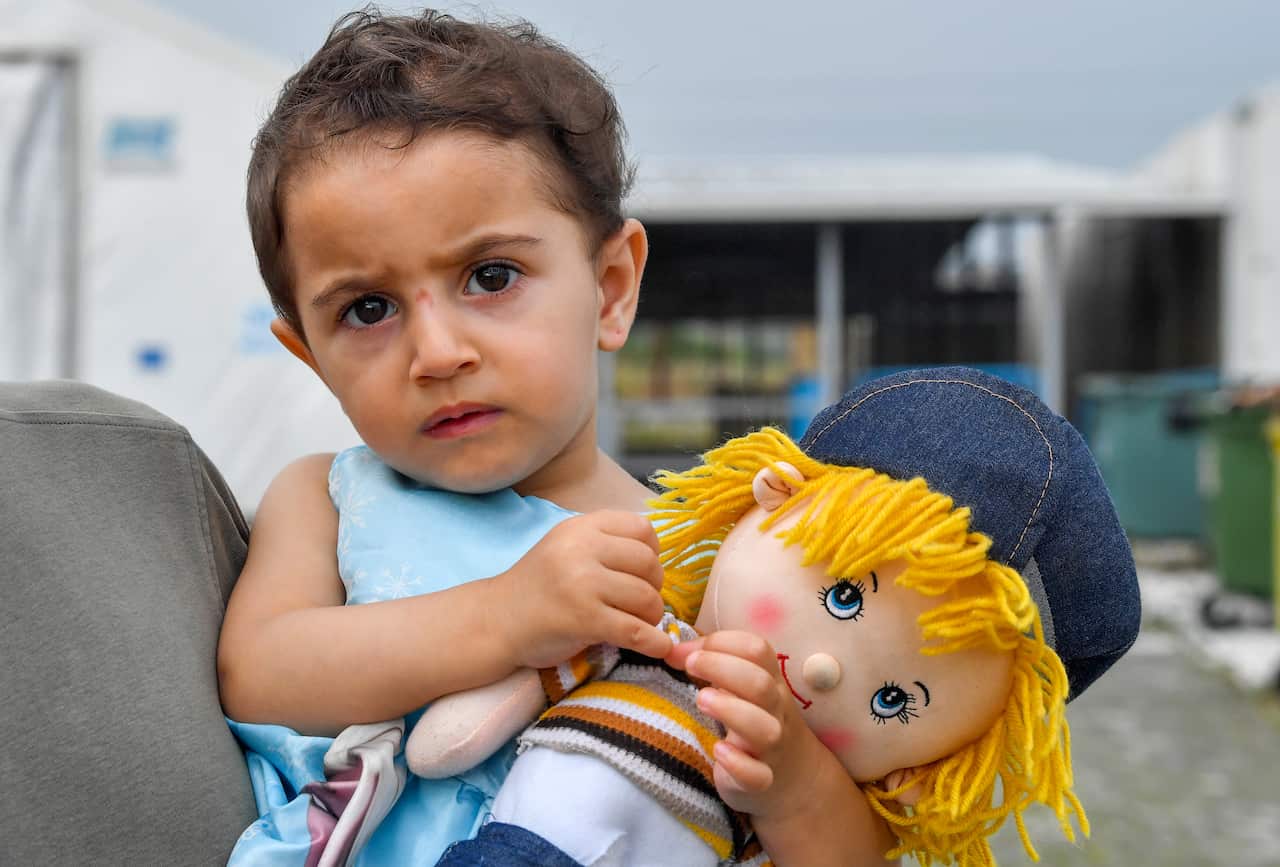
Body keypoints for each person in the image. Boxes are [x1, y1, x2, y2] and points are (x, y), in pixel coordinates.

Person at [215, 7, 894, 865]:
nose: (438, 352)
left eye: (490, 276)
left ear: (610, 288)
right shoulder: (329, 496)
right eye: (368, 309)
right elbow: (261, 671)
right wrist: (506, 615)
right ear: (311, 355)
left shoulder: (710, 557)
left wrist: (792, 774)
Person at [414, 367, 1141, 867]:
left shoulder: (820, 794)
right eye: (845, 595)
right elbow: (485, 708)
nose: (824, 668)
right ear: (772, 496)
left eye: (892, 701)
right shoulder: (644, 622)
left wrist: (793, 781)